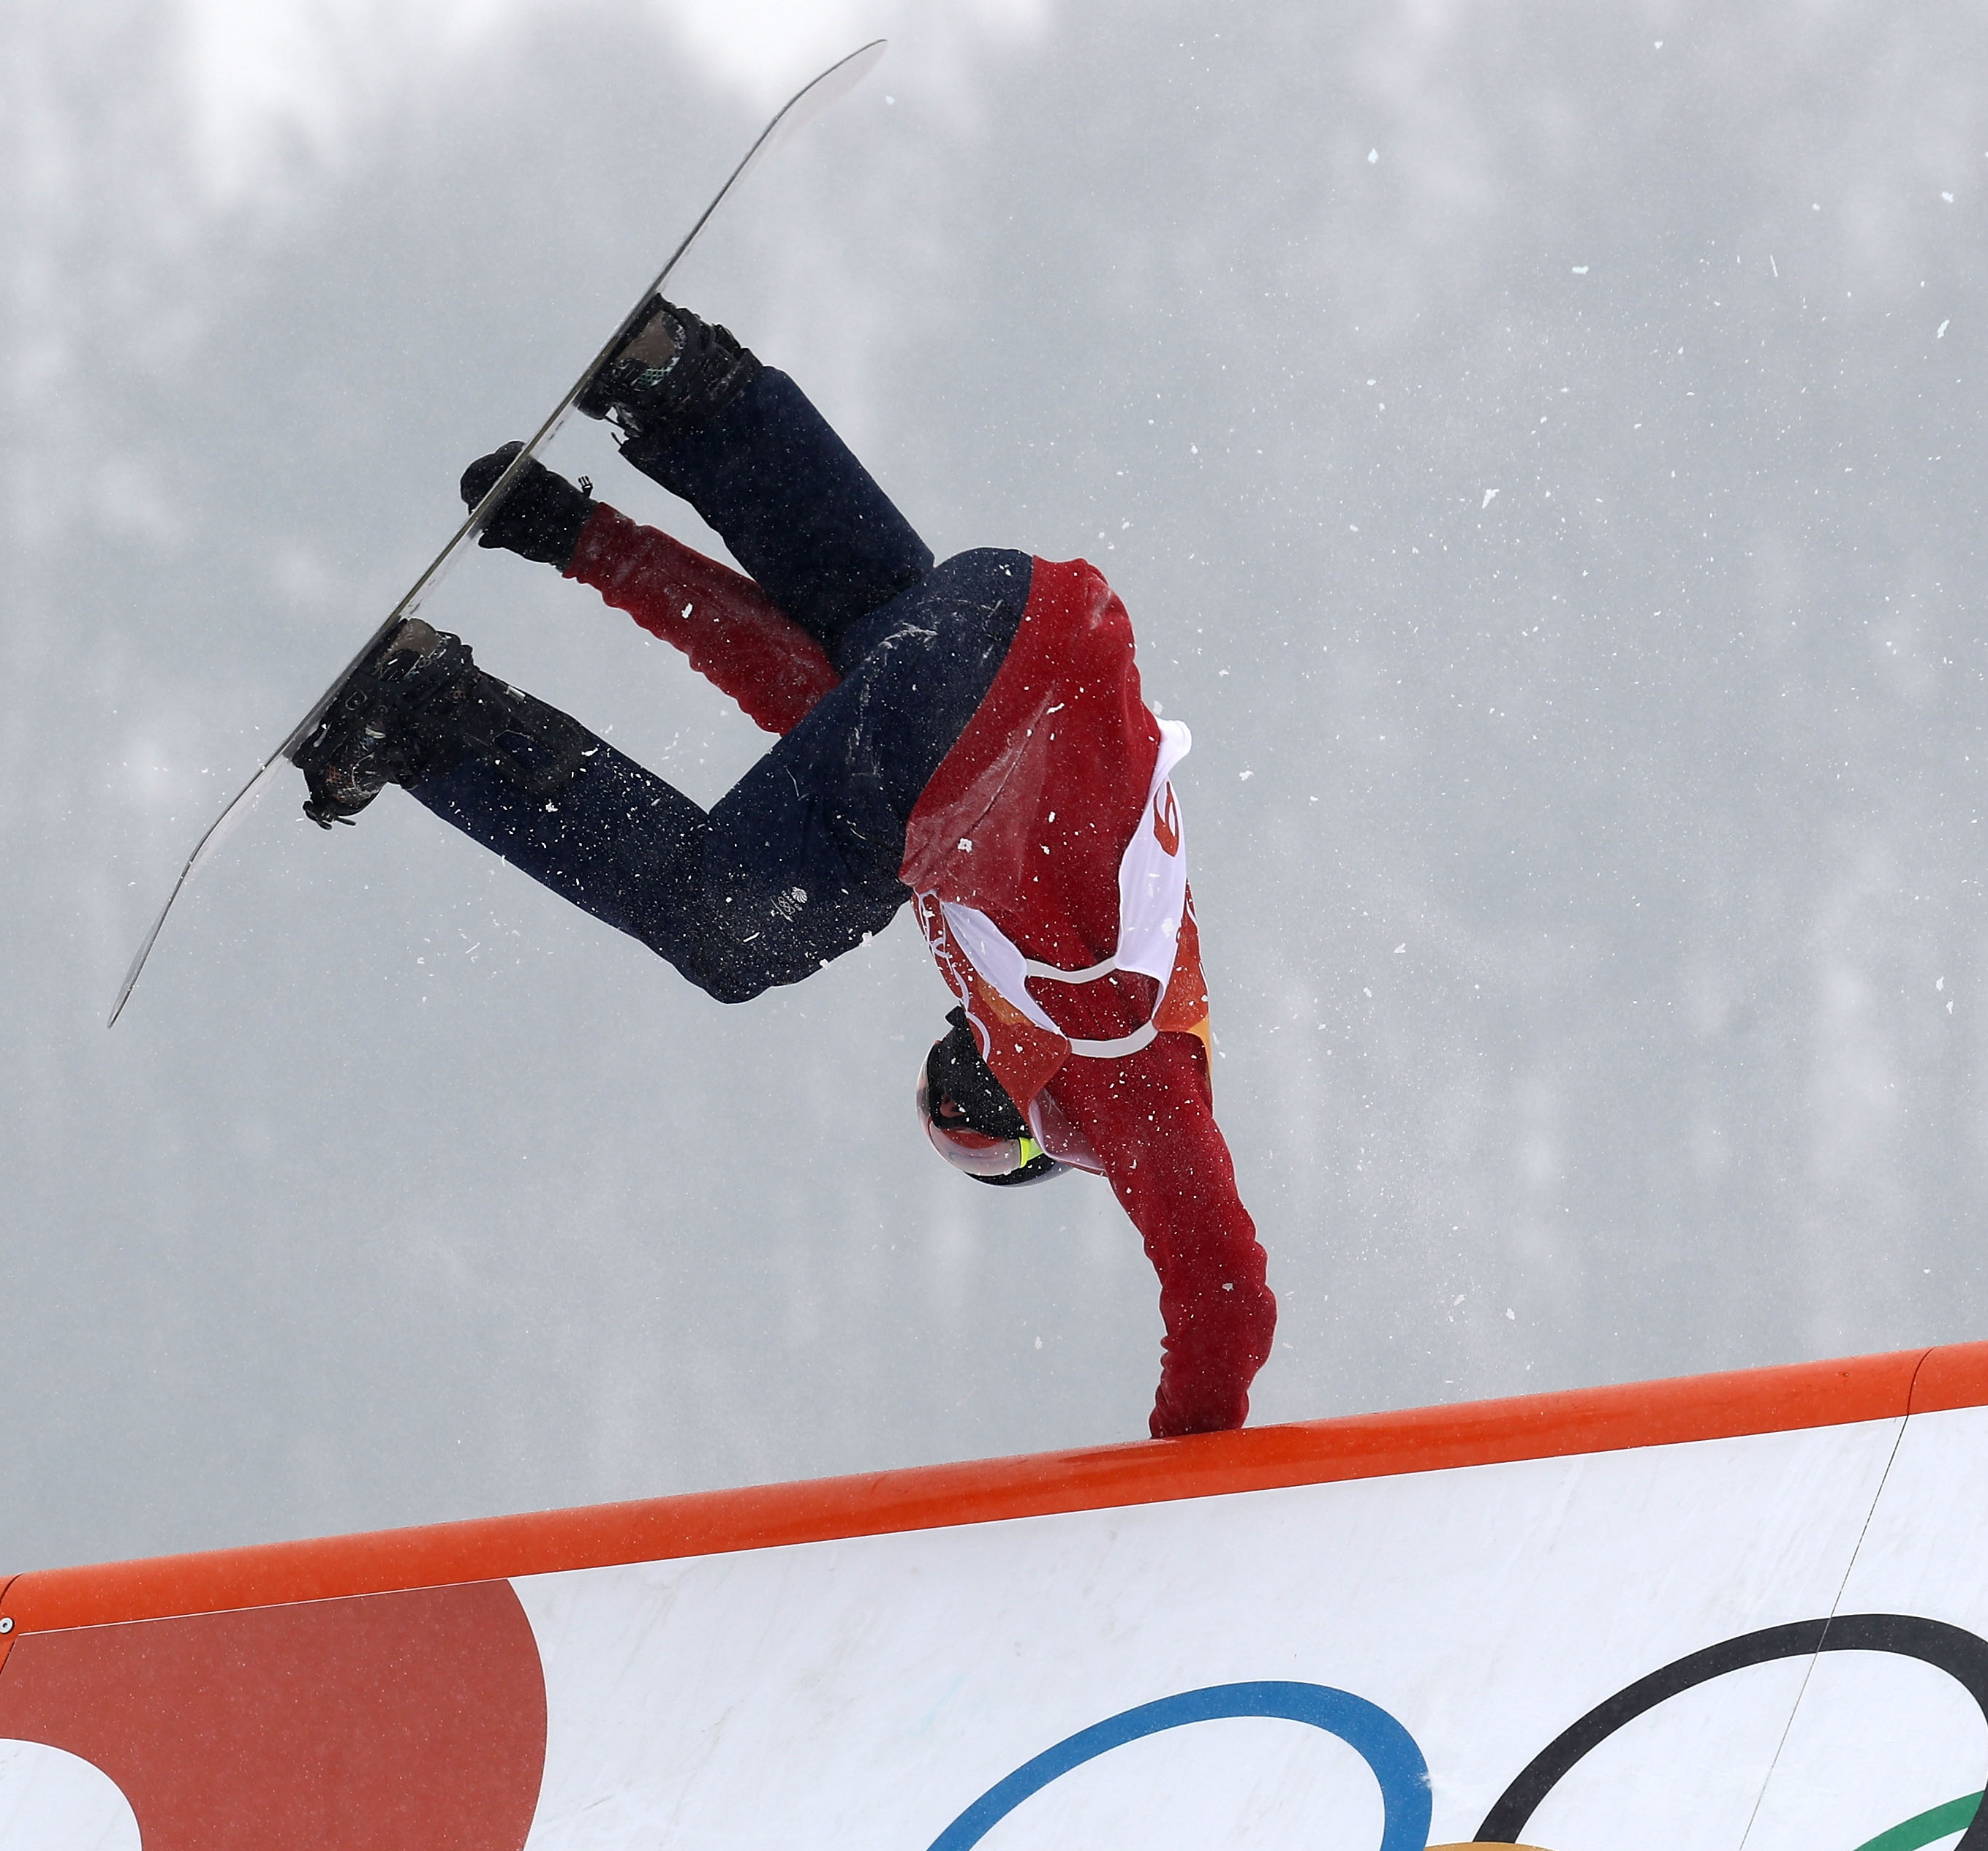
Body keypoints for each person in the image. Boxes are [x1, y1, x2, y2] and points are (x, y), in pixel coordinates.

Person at [294, 301, 1274, 1437]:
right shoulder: (1122, 1056)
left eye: (941, 1106)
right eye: (976, 1122)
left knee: (875, 633)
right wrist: (1178, 1493)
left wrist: (584, 541)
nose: (959, 1088)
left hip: (1023, 610)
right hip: (977, 717)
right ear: (1042, 1132)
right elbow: (1226, 1299)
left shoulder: (1002, 917)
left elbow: (803, 693)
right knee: (723, 935)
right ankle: (422, 713)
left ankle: (691, 394)